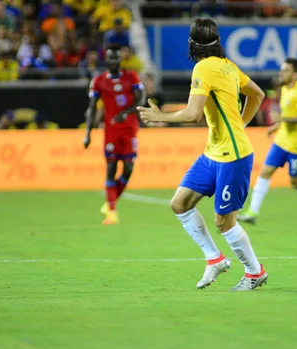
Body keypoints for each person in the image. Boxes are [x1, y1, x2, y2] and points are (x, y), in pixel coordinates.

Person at [137, 18, 268, 292]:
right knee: (180, 203)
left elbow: (194, 113)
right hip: (214, 152)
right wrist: (240, 124)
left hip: (233, 156)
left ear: (192, 43)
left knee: (224, 221)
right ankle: (215, 258)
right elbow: (257, 94)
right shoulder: (228, 66)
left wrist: (161, 116)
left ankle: (255, 272)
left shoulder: (203, 68)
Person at [238, 58, 297, 225]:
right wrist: (278, 125)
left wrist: (282, 119)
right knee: (265, 172)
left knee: (295, 183)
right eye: (281, 70)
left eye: (285, 70)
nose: (281, 73)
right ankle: (252, 212)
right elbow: (289, 116)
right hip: (281, 141)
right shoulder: (285, 89)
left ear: (295, 75)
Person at [84, 43, 144, 225]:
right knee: (111, 168)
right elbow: (92, 109)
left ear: (121, 59)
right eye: (110, 57)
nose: (113, 61)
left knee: (128, 168)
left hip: (130, 129)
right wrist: (88, 133)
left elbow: (140, 98)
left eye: (116, 57)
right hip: (110, 132)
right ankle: (112, 212)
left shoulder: (131, 76)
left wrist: (126, 112)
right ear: (105, 59)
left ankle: (110, 202)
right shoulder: (99, 81)